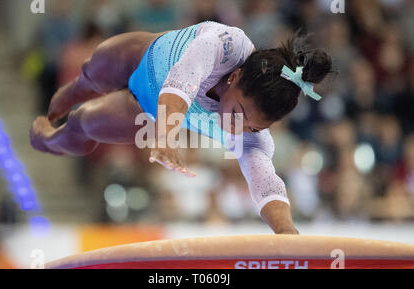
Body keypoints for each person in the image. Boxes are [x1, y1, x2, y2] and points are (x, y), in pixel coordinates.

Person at [30, 21, 333, 234]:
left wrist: (286, 232)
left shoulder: (255, 138)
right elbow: (182, 80)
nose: (238, 129)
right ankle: (74, 89)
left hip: (146, 110)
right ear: (234, 77)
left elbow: (264, 182)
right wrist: (166, 136)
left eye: (253, 128)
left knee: (84, 125)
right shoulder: (227, 45)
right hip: (138, 59)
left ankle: (49, 137)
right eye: (239, 113)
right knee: (92, 74)